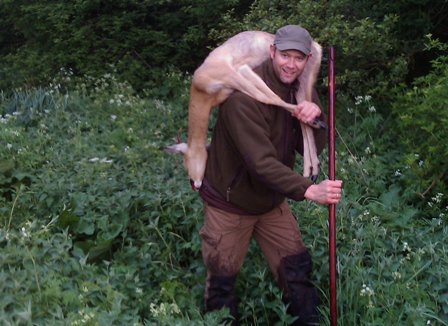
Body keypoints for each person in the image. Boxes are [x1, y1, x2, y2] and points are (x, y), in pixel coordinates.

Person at [198, 25, 343, 325]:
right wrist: (308, 190)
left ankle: (307, 321)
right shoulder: (243, 97)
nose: (291, 64)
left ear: (306, 61)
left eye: (299, 58)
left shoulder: (300, 88)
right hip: (231, 203)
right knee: (221, 281)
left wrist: (315, 119)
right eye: (285, 55)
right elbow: (261, 163)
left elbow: (312, 149)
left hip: (271, 201)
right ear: (273, 52)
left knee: (296, 268)